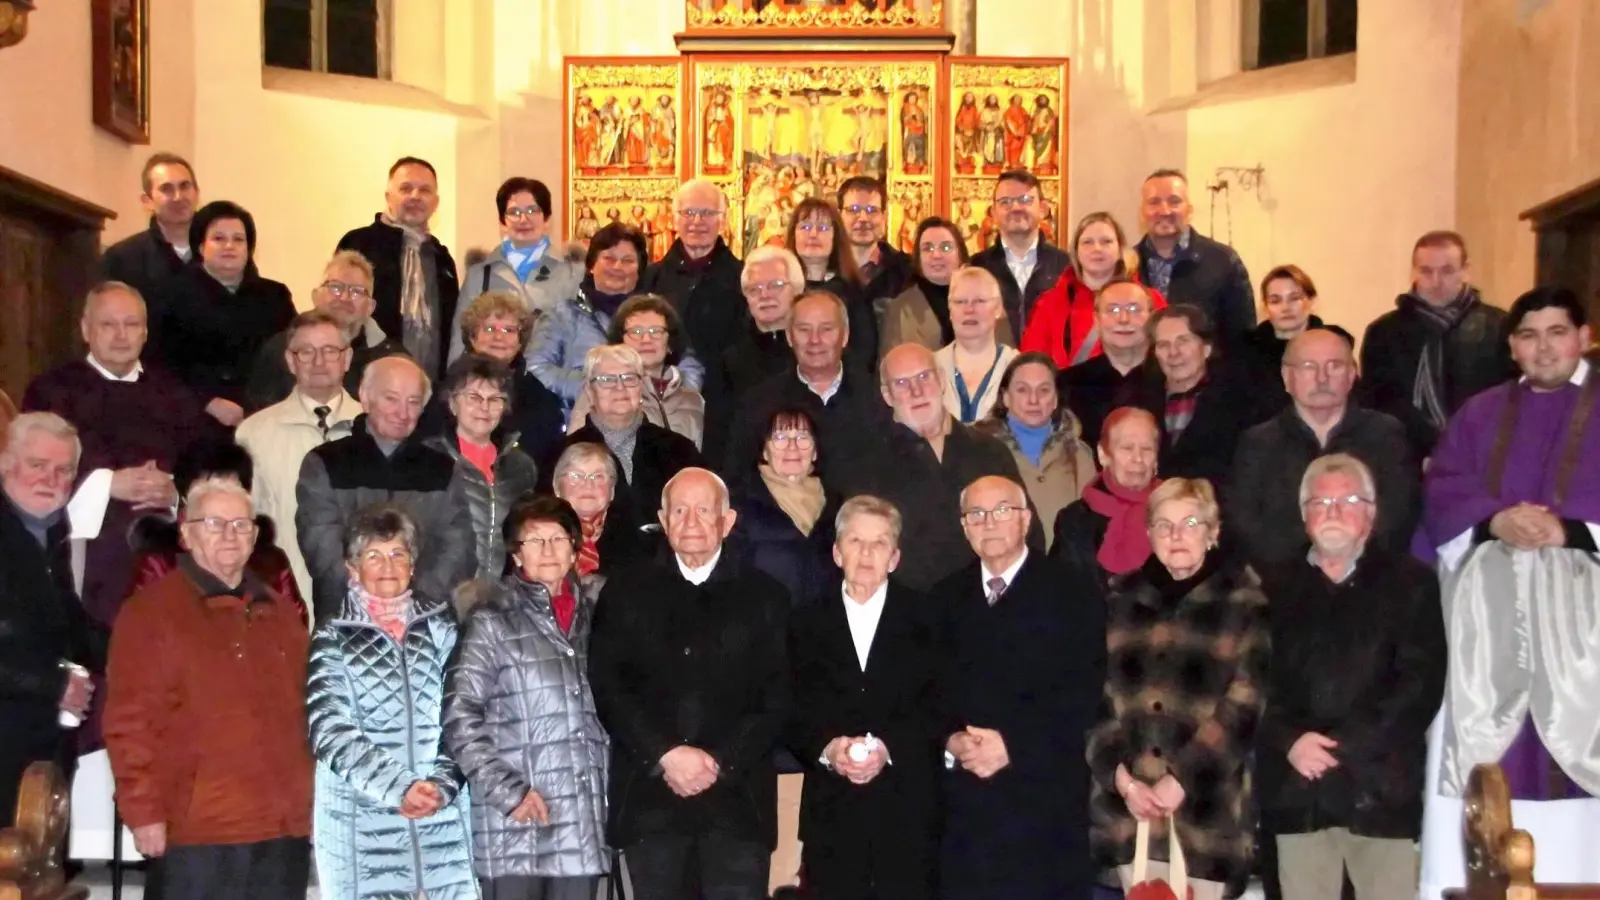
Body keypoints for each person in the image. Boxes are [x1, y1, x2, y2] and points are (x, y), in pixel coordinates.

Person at [1415, 286, 1600, 894]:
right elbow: (1442, 485)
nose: (1543, 346)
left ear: (1584, 335)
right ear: (1513, 346)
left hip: (1586, 641)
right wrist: (1492, 519)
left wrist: (1570, 527)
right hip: (1486, 634)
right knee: (1479, 766)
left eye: (1556, 331)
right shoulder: (1480, 413)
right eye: (1528, 335)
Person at [104, 476, 314, 899]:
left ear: (255, 536)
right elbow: (130, 723)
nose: (230, 535)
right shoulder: (151, 613)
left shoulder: (282, 616)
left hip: (280, 829)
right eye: (215, 523)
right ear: (186, 532)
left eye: (241, 525)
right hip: (196, 834)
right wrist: (143, 814)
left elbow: (308, 717)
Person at [589, 468, 791, 900]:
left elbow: (779, 696)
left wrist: (721, 761)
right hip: (650, 803)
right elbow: (608, 686)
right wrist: (664, 754)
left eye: (704, 510)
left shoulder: (766, 597)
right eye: (679, 510)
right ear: (662, 520)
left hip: (739, 807)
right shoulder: (625, 592)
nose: (691, 522)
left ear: (728, 521)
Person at [1257, 454, 1445, 900]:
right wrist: (1289, 740)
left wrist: (1346, 746)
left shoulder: (1412, 584)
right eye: (1320, 502)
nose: (1333, 511)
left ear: (1372, 512)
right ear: (1303, 516)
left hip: (1380, 790)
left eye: (1347, 500)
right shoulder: (1269, 587)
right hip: (1297, 787)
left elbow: (1420, 684)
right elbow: (1250, 678)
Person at [1088, 477, 1268, 900]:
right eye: (1164, 525)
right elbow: (1092, 696)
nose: (1177, 535)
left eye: (1190, 522)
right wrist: (1124, 780)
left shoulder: (1243, 602)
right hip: (1128, 814)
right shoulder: (1117, 599)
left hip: (1205, 814)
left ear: (1213, 531)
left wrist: (1182, 778)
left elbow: (1245, 703)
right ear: (1149, 534)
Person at [936, 475, 1104, 900]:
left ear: (1026, 520)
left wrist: (1015, 746)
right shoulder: (942, 598)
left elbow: (1085, 691)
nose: (989, 522)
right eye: (976, 514)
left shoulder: (1073, 590)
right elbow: (927, 692)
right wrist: (952, 739)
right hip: (965, 810)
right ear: (964, 526)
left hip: (1044, 803)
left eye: (1002, 511)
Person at [304, 504, 475, 899]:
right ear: (352, 568)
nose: (388, 565)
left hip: (439, 814)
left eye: (398, 553)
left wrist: (442, 785)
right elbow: (329, 728)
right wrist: (400, 788)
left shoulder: (441, 625)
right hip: (362, 825)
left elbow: (463, 713)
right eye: (373, 556)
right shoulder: (333, 635)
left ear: (413, 565)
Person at [445, 495, 612, 900]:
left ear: (576, 549)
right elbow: (459, 715)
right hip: (516, 822)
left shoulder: (602, 615)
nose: (549, 550)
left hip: (581, 821)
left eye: (558, 538)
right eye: (534, 541)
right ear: (516, 556)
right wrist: (509, 791)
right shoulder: (491, 619)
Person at [22, 282, 217, 628]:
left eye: (130, 325)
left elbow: (204, 464)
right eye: (108, 325)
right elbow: (30, 472)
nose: (120, 335)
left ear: (145, 332)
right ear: (85, 329)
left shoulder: (174, 392)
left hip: (171, 546)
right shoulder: (51, 390)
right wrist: (108, 483)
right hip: (88, 549)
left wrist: (175, 492)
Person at [787, 495, 944, 900]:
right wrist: (827, 748)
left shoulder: (929, 618)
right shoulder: (804, 621)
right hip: (831, 812)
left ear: (894, 557)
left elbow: (939, 704)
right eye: (856, 541)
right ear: (838, 552)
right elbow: (789, 705)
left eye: (879, 544)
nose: (867, 553)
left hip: (907, 809)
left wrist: (890, 747)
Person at [836, 343, 1042, 593]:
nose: (916, 390)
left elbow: (1028, 533)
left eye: (924, 376)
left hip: (987, 608)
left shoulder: (989, 452)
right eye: (901, 383)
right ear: (887, 395)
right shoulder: (864, 465)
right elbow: (856, 554)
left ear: (942, 380)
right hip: (909, 616)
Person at [296, 355, 475, 620]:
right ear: (365, 398)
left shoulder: (443, 468)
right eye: (391, 399)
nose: (402, 413)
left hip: (423, 620)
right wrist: (368, 597)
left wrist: (411, 599)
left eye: (413, 402)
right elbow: (320, 545)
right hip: (346, 619)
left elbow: (459, 548)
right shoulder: (325, 462)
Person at [1230, 329, 1419, 568]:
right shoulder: (1258, 444)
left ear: (1352, 375)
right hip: (1282, 586)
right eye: (1309, 366)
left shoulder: (1385, 435)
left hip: (1371, 581)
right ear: (1287, 377)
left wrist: (1345, 566)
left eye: (1335, 366)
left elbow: (1398, 517)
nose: (1322, 378)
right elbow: (1247, 526)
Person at [0, 413, 102, 828]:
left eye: (63, 470)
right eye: (37, 465)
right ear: (6, 463)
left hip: (38, 739)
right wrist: (56, 684)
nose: (49, 478)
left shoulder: (50, 529)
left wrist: (141, 647)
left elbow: (67, 620)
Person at [236, 310, 363, 601]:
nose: (319, 362)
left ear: (347, 358)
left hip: (363, 603)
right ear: (290, 361)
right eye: (306, 352)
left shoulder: (372, 427)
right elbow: (243, 523)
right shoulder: (253, 434)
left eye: (330, 351)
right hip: (282, 597)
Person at [1358, 230, 1516, 458]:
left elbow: (1510, 397)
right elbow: (1376, 404)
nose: (1436, 281)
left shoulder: (1500, 326)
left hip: (1483, 454)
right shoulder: (1383, 332)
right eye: (1426, 271)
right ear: (1413, 271)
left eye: (1447, 271)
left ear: (1466, 271)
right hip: (1405, 457)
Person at [146, 199, 296, 423]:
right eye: (219, 238)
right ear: (200, 246)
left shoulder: (275, 296)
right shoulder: (170, 295)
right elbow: (157, 366)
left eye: (238, 239)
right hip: (194, 420)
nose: (229, 246)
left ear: (249, 249)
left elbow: (292, 355)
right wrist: (205, 401)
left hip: (266, 416)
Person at [533, 223, 705, 416]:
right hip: (582, 425)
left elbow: (690, 364)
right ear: (591, 265)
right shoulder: (562, 314)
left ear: (640, 269)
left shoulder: (658, 311)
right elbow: (537, 367)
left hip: (651, 426)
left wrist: (670, 399)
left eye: (627, 260)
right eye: (608, 258)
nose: (617, 267)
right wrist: (598, 389)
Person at [128, 441, 306, 624]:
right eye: (208, 494)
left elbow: (295, 627)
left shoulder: (270, 562)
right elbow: (140, 629)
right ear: (184, 499)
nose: (222, 501)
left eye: (232, 492)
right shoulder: (160, 561)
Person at [721, 290, 889, 478]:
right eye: (803, 329)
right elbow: (737, 477)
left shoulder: (879, 398)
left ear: (846, 336)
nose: (815, 340)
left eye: (826, 329)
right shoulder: (758, 405)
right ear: (790, 337)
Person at [551, 345, 703, 535]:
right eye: (607, 380)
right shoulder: (559, 455)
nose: (620, 387)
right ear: (589, 390)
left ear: (641, 388)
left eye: (629, 378)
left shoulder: (680, 450)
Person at [335, 156, 461, 379]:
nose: (415, 196)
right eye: (405, 188)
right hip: (367, 380)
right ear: (388, 197)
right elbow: (337, 313)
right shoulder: (359, 244)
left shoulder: (442, 259)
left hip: (430, 387)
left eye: (424, 190)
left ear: (435, 202)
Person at [245, 250, 405, 413]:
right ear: (315, 296)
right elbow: (259, 415)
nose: (344, 298)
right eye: (335, 287)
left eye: (356, 291)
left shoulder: (391, 360)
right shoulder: (281, 350)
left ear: (370, 307)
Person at [424, 355, 540, 579]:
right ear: (452, 403)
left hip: (503, 595)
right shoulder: (428, 458)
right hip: (442, 593)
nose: (484, 407)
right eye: (474, 397)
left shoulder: (521, 467)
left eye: (495, 399)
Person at [449, 176, 584, 363]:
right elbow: (460, 338)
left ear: (546, 219)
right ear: (502, 221)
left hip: (550, 381)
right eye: (514, 212)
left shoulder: (572, 271)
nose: (523, 219)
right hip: (494, 379)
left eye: (532, 210)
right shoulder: (480, 274)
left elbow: (582, 335)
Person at [1118, 304, 1249, 488]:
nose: (1173, 353)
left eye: (1183, 341)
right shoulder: (1136, 402)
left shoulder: (1241, 402)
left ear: (1206, 349)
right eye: (1163, 345)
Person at [975, 353, 1094, 552]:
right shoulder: (980, 451)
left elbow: (1092, 527)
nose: (1033, 400)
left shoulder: (1079, 455)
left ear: (1056, 399)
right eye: (1022, 390)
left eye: (1044, 390)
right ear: (1005, 397)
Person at [435, 289, 569, 466]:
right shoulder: (446, 388)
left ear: (520, 341)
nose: (499, 337)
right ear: (472, 337)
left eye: (509, 330)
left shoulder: (540, 398)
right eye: (489, 328)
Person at [1022, 211, 1167, 367]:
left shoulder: (1150, 301)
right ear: (1076, 252)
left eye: (1106, 241)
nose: (1097, 248)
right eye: (1087, 242)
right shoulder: (1050, 303)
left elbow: (1167, 353)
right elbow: (1031, 364)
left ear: (1120, 250)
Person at [731, 406, 840, 609]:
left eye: (802, 437)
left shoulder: (838, 505)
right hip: (763, 627)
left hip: (824, 629)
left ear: (815, 451)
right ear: (764, 450)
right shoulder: (739, 503)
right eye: (780, 438)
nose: (792, 447)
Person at [1136, 169, 1255, 351]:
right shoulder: (1127, 265)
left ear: (1189, 210)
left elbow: (1242, 338)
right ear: (1142, 212)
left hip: (1208, 376)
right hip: (1141, 376)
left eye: (1174, 201)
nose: (1164, 210)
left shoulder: (1223, 261)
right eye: (1154, 202)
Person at [704, 246, 805, 458]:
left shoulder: (815, 351)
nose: (764, 295)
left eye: (775, 285)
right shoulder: (729, 361)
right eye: (754, 289)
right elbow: (717, 439)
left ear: (797, 289)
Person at [569, 293, 706, 447]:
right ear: (620, 341)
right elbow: (577, 451)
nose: (646, 340)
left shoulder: (693, 400)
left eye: (656, 331)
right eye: (636, 331)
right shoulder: (600, 392)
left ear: (670, 342)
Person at [639, 180, 747, 371]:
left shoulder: (743, 277)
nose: (697, 221)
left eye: (707, 213)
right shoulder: (650, 278)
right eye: (688, 213)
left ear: (722, 220)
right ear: (675, 220)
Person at [1051, 406, 1162, 584]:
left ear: (1156, 458)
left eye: (1147, 449)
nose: (1138, 458)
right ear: (1103, 455)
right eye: (1127, 448)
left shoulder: (1176, 512)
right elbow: (1062, 594)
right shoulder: (1074, 521)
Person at [881, 216, 1019, 357]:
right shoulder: (900, 307)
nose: (936, 255)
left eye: (946, 247)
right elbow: (889, 366)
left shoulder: (988, 298)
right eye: (927, 248)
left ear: (961, 253)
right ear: (918, 257)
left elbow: (1007, 359)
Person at [969, 170, 1071, 340]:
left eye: (1025, 200)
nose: (1015, 208)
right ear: (993, 212)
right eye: (1005, 202)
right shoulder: (976, 268)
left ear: (1043, 209)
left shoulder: (1066, 266)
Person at [1060, 278, 1157, 448]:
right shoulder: (1068, 384)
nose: (1123, 319)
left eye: (1134, 309)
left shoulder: (1174, 380)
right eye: (1112, 310)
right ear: (1096, 321)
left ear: (1152, 318)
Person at [786, 197, 876, 376]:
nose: (813, 235)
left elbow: (865, 352)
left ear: (836, 237)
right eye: (805, 227)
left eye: (823, 228)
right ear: (792, 234)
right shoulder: (781, 290)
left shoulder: (853, 291)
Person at [98, 152, 199, 301]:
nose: (178, 197)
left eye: (185, 186)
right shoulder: (121, 260)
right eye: (166, 189)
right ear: (147, 201)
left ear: (196, 193)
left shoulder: (223, 253)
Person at [934, 266, 1019, 424]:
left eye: (980, 301)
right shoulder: (929, 368)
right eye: (960, 302)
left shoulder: (1018, 368)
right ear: (950, 310)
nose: (969, 309)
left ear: (998, 308)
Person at [551, 442, 646, 577]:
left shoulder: (635, 541)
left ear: (612, 491)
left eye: (598, 476)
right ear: (557, 487)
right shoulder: (538, 537)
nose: (588, 485)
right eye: (576, 476)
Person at [838, 176, 914, 316]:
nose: (863, 218)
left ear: (884, 217)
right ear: (839, 216)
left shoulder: (907, 271)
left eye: (872, 210)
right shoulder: (826, 268)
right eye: (853, 209)